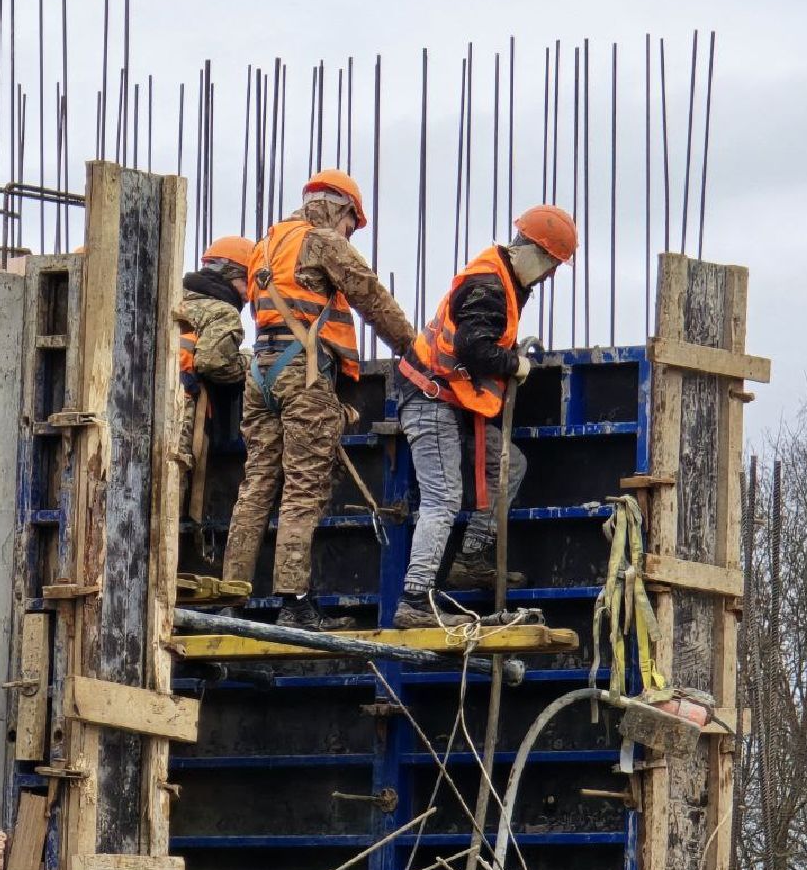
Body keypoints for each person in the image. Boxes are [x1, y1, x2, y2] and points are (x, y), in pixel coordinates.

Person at [221, 169, 416, 630]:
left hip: (260, 372)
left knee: (255, 487)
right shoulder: (322, 242)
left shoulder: (266, 244)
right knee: (303, 490)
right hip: (302, 374)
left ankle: (232, 600)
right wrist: (412, 347)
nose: (350, 232)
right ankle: (295, 602)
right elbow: (372, 298)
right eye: (352, 221)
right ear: (338, 207)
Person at [391, 205, 578, 628]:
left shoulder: (505, 283)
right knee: (441, 498)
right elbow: (474, 349)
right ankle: (414, 600)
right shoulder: (488, 285)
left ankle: (472, 556)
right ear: (531, 251)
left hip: (455, 403)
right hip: (430, 398)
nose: (549, 275)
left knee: (509, 464)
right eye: (550, 263)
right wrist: (515, 365)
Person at [176, 236, 255, 476]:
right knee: (171, 490)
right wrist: (251, 362)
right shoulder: (223, 312)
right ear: (232, 276)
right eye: (247, 284)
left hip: (144, 405)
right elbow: (213, 363)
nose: (249, 296)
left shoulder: (173, 296)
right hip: (179, 415)